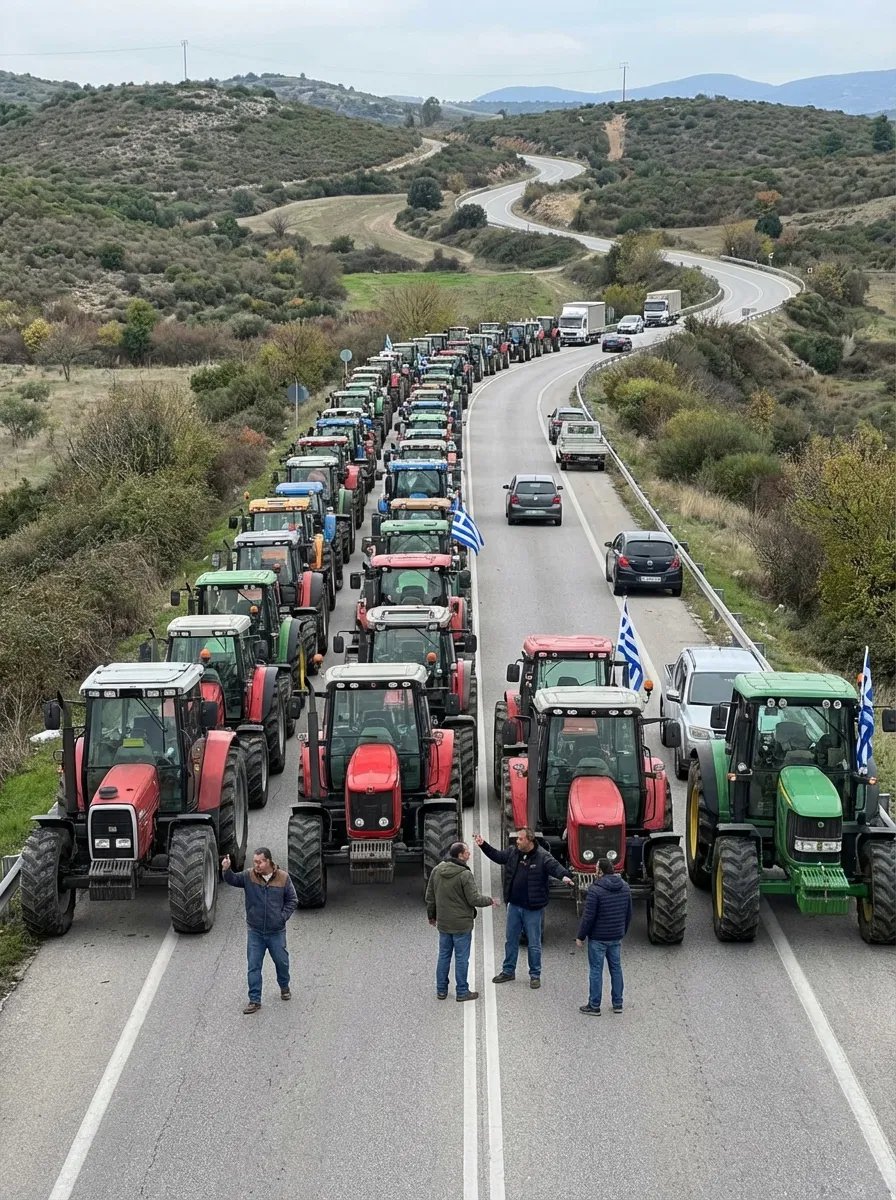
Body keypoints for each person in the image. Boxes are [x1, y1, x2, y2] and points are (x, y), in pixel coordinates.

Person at [474, 829, 573, 989]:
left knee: (534, 944)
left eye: (520, 839)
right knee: (510, 941)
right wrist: (483, 845)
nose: (517, 841)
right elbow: (498, 857)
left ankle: (535, 975)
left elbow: (555, 867)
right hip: (514, 906)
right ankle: (508, 971)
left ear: (530, 840)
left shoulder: (542, 856)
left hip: (533, 909)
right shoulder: (514, 852)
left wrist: (565, 876)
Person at [222, 847, 298, 1014]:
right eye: (254, 862)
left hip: (276, 932)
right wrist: (226, 869)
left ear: (269, 861)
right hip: (255, 931)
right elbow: (233, 880)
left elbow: (292, 900)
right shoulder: (249, 876)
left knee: (282, 962)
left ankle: (284, 986)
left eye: (259, 862)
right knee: (253, 966)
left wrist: (282, 917)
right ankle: (254, 1000)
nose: (256, 865)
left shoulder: (284, 878)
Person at [425, 841, 499, 1002]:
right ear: (460, 856)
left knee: (444, 956)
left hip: (444, 923)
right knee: (461, 958)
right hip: (461, 925)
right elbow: (474, 899)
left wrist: (432, 916)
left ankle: (441, 990)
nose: (469, 854)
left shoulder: (437, 870)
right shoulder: (464, 874)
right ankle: (462, 992)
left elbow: (430, 897)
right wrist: (490, 900)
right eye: (467, 852)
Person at [575, 857, 633, 1015]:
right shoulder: (625, 887)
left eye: (596, 868)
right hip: (616, 937)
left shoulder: (595, 890)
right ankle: (618, 1003)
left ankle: (594, 1005)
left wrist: (580, 936)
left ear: (600, 871)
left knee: (596, 971)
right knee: (616, 969)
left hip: (598, 939)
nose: (595, 871)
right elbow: (629, 914)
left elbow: (588, 917)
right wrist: (622, 931)